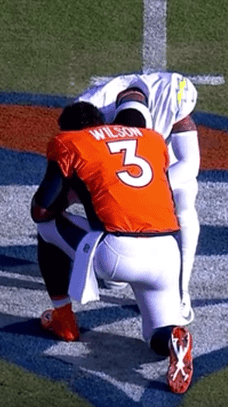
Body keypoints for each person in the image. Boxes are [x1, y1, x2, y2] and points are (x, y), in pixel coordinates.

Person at [30, 101, 194, 394]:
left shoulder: (70, 142)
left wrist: (72, 194)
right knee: (156, 336)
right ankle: (175, 340)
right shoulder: (151, 139)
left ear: (70, 129)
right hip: (167, 253)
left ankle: (63, 319)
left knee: (47, 227)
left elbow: (41, 209)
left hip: (116, 253)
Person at [76, 72, 199, 324]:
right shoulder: (90, 111)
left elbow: (190, 162)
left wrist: (155, 190)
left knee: (186, 198)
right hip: (111, 165)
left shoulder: (171, 95)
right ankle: (112, 250)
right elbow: (76, 168)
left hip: (161, 163)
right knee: (95, 194)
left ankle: (181, 291)